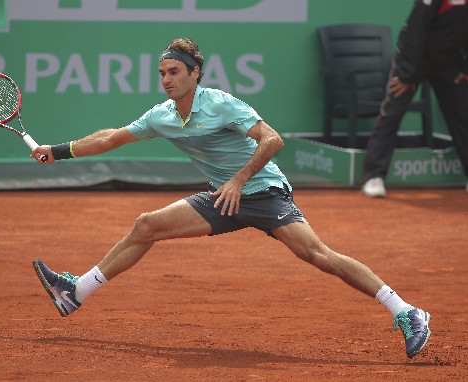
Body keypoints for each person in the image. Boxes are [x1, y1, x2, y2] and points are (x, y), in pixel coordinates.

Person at [30, 38, 431, 359]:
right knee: (146, 225)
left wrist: (239, 180)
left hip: (263, 191)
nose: (166, 79)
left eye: (174, 72)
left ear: (195, 73)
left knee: (319, 256)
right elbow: (110, 137)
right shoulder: (162, 115)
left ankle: (406, 312)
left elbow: (271, 140)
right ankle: (76, 291)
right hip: (223, 198)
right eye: (162, 73)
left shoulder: (221, 104)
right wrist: (58, 149)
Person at [362, 0, 468, 198]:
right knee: (392, 112)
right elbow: (415, 30)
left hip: (450, 61)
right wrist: (408, 74)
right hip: (414, 57)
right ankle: (373, 176)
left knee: (465, 115)